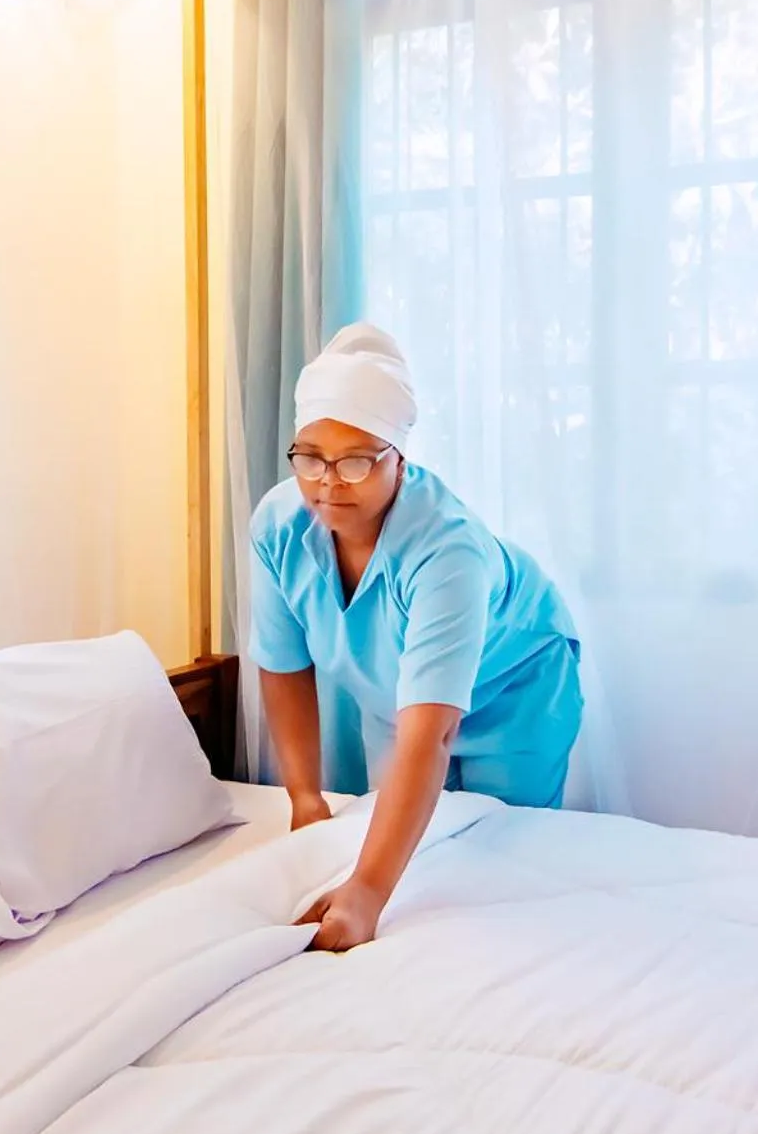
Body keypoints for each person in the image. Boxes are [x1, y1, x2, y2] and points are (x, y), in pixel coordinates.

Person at [250, 324, 583, 954]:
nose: (328, 481)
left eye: (355, 460)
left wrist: (367, 895)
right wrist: (304, 798)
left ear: (399, 459)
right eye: (310, 457)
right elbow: (282, 664)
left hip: (518, 686)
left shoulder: (445, 549)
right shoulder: (278, 525)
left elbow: (431, 734)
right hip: (400, 698)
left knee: (503, 857)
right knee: (413, 840)